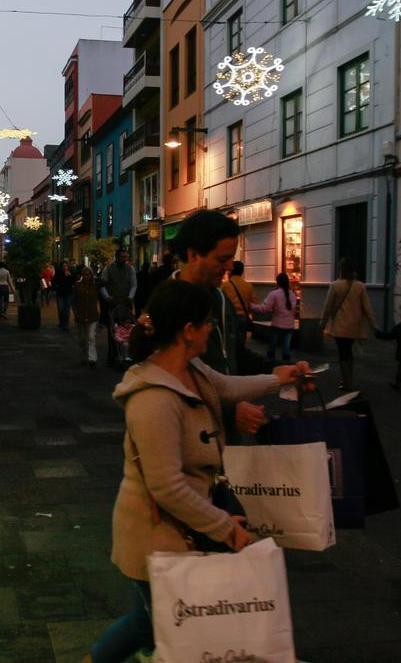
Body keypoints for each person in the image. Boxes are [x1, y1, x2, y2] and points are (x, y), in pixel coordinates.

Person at [85, 279, 311, 663]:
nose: (212, 329)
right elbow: (167, 486)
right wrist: (225, 528)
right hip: (158, 535)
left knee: (151, 621)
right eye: (207, 322)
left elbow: (227, 386)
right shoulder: (153, 398)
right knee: (165, 627)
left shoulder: (191, 368)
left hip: (185, 528)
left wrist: (281, 377)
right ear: (187, 331)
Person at [170, 210, 266, 445]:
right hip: (190, 446)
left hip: (228, 442)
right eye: (222, 259)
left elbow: (236, 354)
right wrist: (229, 412)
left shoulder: (221, 300)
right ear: (193, 255)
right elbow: (170, 383)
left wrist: (287, 372)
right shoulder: (168, 305)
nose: (230, 266)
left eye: (231, 258)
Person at [321, 257, 378, 392]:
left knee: (343, 354)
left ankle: (347, 382)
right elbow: (367, 307)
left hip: (340, 326)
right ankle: (348, 379)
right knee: (349, 353)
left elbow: (327, 306)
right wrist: (373, 324)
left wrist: (323, 321)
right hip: (354, 326)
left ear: (341, 270)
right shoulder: (360, 286)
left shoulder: (335, 285)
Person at [252, 272, 298, 362]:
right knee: (286, 347)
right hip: (289, 325)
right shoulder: (292, 295)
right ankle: (286, 364)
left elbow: (264, 308)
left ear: (277, 282)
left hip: (277, 324)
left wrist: (251, 306)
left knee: (272, 346)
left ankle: (271, 364)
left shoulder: (274, 294)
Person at [73, 265, 101, 367]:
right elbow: (74, 300)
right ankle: (83, 356)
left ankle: (92, 358)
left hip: (92, 314)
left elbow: (104, 282)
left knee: (91, 337)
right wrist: (76, 312)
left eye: (88, 274)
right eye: (84, 274)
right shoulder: (77, 285)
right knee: (82, 338)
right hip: (80, 314)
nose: (86, 276)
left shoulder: (95, 286)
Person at [221, 260, 256, 338]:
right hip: (243, 317)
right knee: (241, 340)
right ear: (242, 272)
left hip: (229, 317)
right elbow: (254, 303)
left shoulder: (224, 286)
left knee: (230, 340)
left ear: (231, 271)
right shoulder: (248, 286)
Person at [99, 248, 137, 313]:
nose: (125, 259)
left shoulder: (130, 268)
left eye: (126, 257)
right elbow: (102, 285)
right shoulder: (108, 268)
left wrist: (130, 297)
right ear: (117, 257)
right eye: (122, 257)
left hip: (125, 300)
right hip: (113, 300)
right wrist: (107, 297)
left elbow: (134, 285)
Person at [53, 260, 76, 330]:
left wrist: (70, 276)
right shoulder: (58, 273)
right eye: (64, 266)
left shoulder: (70, 273)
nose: (65, 267)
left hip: (68, 293)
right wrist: (55, 288)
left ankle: (66, 324)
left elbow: (73, 282)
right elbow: (54, 281)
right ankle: (61, 322)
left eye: (66, 266)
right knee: (61, 309)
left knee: (67, 309)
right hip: (60, 293)